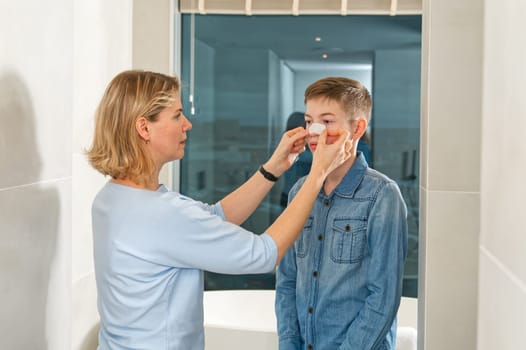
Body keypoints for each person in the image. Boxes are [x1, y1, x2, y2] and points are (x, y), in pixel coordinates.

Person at [86, 70, 351, 350]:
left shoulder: (111, 198)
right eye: (177, 115)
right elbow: (263, 255)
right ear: (144, 128)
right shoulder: (160, 214)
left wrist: (274, 168)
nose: (187, 124)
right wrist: (317, 174)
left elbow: (213, 218)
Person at [275, 77, 408, 350]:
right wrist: (288, 344)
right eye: (309, 120)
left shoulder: (382, 196)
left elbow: (383, 297)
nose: (314, 131)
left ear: (357, 127)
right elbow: (287, 279)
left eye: (326, 121)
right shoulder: (299, 192)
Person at [280, 112, 312, 208]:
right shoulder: (299, 151)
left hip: (286, 193)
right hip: (295, 196)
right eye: (308, 122)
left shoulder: (285, 146)